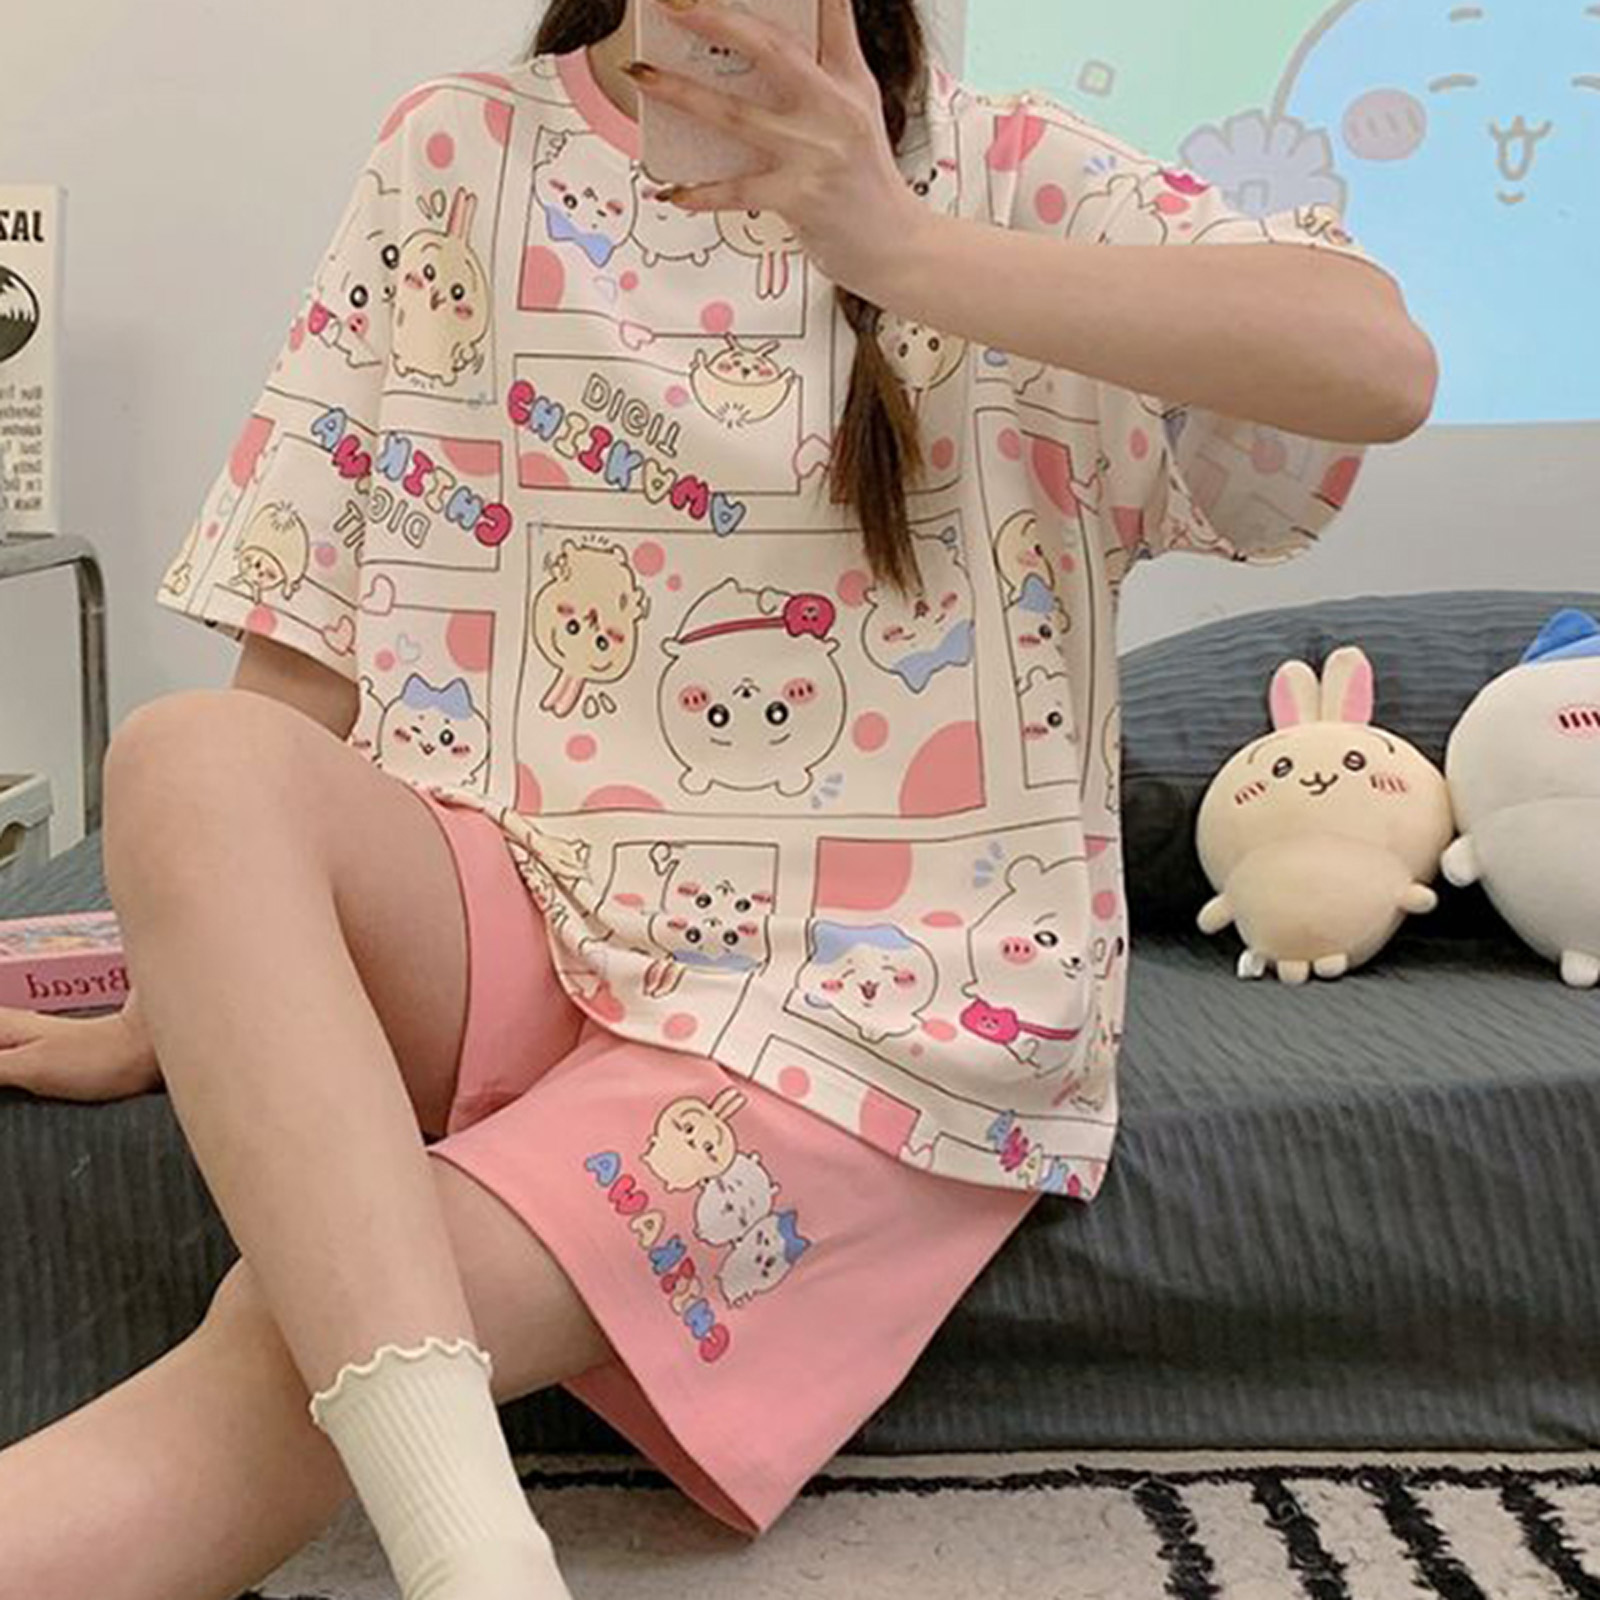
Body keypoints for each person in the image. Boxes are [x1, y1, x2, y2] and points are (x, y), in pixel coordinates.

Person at [0, 1, 1437, 1596]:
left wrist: (894, 244)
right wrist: (186, 990)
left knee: (301, 1332)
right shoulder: (456, 149)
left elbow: (1376, 365)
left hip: (861, 1011)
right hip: (513, 913)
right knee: (183, 758)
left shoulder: (1004, 172)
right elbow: (309, 612)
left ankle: (475, 1557)